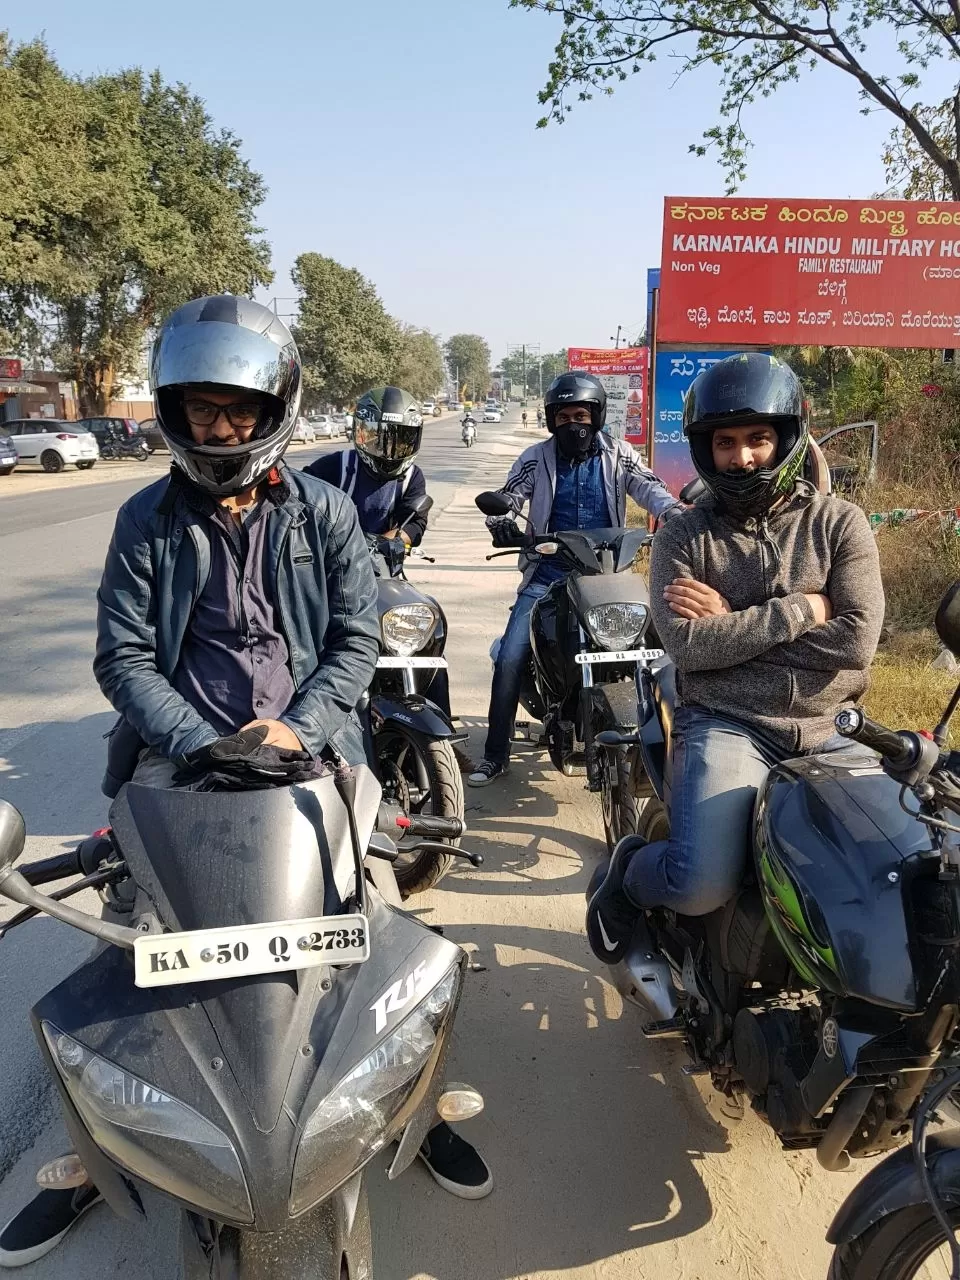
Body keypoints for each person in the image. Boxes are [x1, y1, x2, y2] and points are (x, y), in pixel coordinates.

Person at [0, 302, 490, 1270]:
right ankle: (89, 1156)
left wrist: (296, 728)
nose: (218, 428)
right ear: (175, 413)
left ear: (271, 406)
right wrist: (198, 738)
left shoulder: (326, 510)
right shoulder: (145, 517)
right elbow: (125, 655)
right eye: (198, 409)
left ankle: (410, 1107)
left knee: (386, 935)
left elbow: (355, 641)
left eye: (236, 409)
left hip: (314, 754)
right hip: (175, 762)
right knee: (127, 961)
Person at [586, 352, 885, 963]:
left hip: (831, 728)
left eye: (758, 438)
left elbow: (857, 639)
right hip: (726, 723)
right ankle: (631, 872)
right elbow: (687, 645)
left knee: (882, 868)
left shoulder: (840, 524)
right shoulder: (682, 535)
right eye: (726, 442)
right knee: (698, 884)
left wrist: (733, 625)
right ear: (705, 448)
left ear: (786, 438)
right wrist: (805, 608)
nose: (743, 457)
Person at [467, 371, 680, 787]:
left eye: (581, 415)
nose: (573, 425)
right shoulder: (535, 457)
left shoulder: (620, 454)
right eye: (564, 417)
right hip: (549, 571)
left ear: (596, 417)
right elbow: (510, 495)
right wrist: (503, 520)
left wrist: (674, 515)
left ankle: (677, 744)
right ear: (552, 420)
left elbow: (651, 488)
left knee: (663, 647)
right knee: (511, 655)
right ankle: (495, 754)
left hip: (607, 570)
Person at [302, 386, 459, 741]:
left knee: (426, 644)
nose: (388, 449)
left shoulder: (410, 476)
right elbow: (302, 510)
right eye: (378, 438)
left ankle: (442, 733)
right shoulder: (332, 468)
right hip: (329, 575)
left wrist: (394, 540)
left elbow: (414, 522)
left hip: (385, 572)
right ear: (360, 433)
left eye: (400, 440)